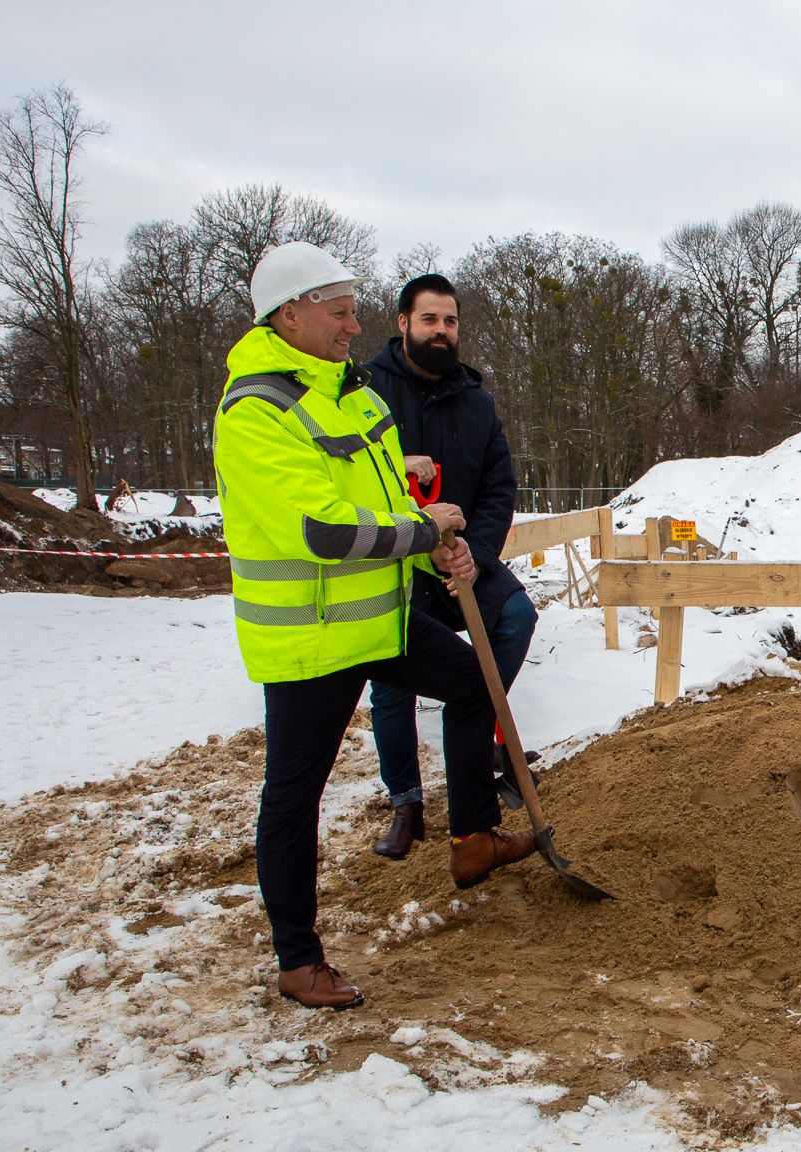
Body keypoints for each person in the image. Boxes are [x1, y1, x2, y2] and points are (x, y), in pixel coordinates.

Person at [214, 241, 539, 1009]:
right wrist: (425, 532)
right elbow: (324, 531)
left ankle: (471, 838)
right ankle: (298, 959)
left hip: (380, 619)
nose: (353, 327)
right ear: (289, 314)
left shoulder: (355, 397)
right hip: (310, 640)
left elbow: (393, 500)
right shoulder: (256, 410)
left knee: (473, 687)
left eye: (353, 310)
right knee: (294, 795)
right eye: (339, 312)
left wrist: (441, 548)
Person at [362, 273, 536, 859]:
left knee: (516, 615)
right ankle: (406, 801)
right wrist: (416, 526)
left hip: (462, 562)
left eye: (451, 321)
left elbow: (498, 487)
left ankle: (474, 752)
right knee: (392, 681)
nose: (442, 331)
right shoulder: (365, 394)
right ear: (404, 323)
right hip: (396, 563)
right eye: (430, 319)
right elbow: (354, 485)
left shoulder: (476, 400)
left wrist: (476, 554)